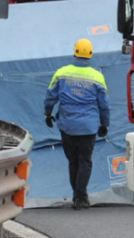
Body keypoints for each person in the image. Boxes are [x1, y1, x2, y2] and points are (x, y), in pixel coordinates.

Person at [44, 39, 110, 210]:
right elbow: (104, 105)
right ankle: (81, 197)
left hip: (67, 125)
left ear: (74, 52)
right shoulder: (97, 77)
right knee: (85, 161)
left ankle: (77, 196)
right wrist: (105, 124)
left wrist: (48, 114)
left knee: (73, 161)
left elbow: (50, 97)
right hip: (88, 127)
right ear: (90, 54)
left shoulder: (61, 73)